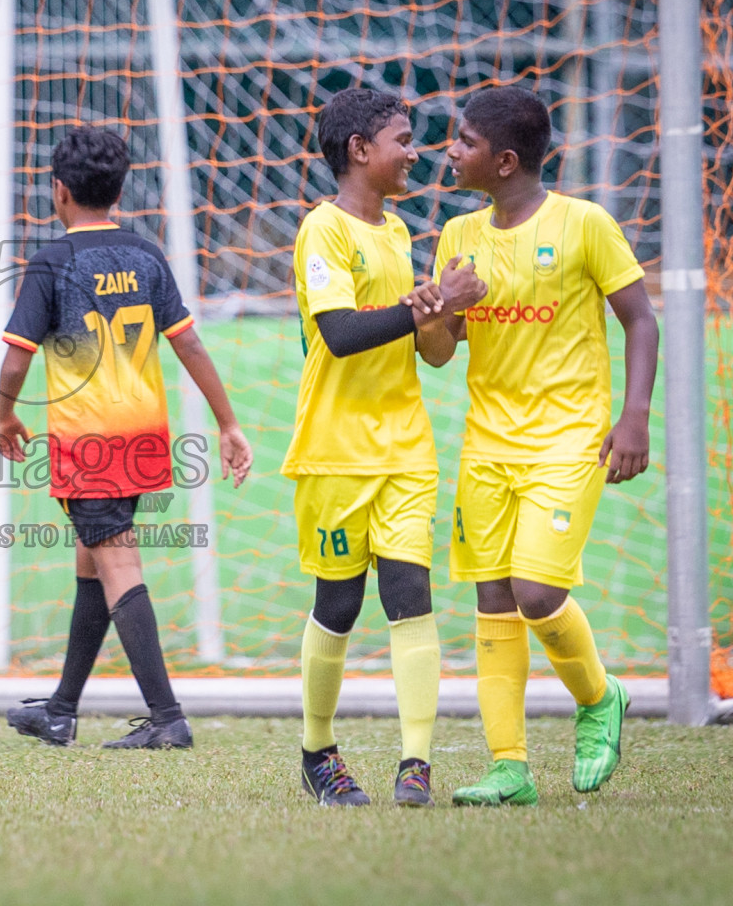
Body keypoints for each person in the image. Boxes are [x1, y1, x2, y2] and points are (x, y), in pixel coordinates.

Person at [427, 86, 659, 805]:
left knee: (537, 592)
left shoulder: (585, 224)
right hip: (487, 443)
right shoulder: (458, 237)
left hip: (569, 439)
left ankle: (600, 698)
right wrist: (445, 308)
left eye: (462, 140)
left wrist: (635, 417)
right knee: (493, 598)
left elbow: (641, 321)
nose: (449, 150)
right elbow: (437, 353)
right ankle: (509, 767)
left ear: (502, 160)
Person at [0, 126, 252, 750]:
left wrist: (4, 416)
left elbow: (14, 359)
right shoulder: (146, 255)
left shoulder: (53, 262)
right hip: (142, 438)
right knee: (93, 562)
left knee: (116, 564)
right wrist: (227, 423)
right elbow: (187, 340)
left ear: (58, 191)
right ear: (118, 189)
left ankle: (167, 717)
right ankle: (60, 710)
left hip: (89, 443)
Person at [282, 89, 488, 806]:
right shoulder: (323, 230)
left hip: (405, 447)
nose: (415, 152)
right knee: (337, 606)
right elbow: (339, 334)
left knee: (412, 599)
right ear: (360, 150)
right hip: (335, 452)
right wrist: (421, 304)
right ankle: (317, 752)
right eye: (402, 138)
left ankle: (415, 762)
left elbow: (432, 354)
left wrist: (446, 311)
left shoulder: (400, 233)